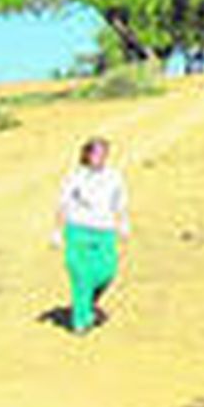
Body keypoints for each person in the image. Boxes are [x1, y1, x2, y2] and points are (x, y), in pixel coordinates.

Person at [51, 136, 130, 335]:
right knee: (80, 274)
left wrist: (123, 223)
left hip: (105, 230)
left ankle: (87, 302)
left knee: (107, 272)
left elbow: (119, 202)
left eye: (103, 153)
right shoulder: (75, 177)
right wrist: (57, 232)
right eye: (96, 153)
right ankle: (81, 321)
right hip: (78, 229)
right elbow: (63, 204)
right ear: (87, 155)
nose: (100, 157)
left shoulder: (114, 176)